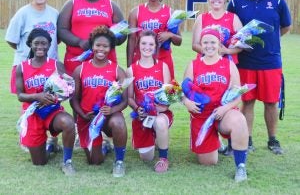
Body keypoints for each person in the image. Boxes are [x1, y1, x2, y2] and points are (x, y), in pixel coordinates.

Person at [227, 0, 292, 154]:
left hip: (270, 61)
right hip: (246, 62)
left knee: (271, 102)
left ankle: (272, 140)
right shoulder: (236, 1)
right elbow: (232, 29)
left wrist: (271, 41)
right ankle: (247, 140)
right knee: (247, 101)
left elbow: (286, 26)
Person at [182, 27, 249, 182]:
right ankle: (216, 141)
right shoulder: (193, 65)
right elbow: (183, 90)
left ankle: (241, 167)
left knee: (239, 120)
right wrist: (187, 102)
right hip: (202, 115)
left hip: (223, 112)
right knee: (208, 162)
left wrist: (226, 108)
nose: (209, 46)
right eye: (205, 42)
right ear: (201, 44)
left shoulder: (228, 65)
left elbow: (238, 94)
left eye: (213, 42)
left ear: (219, 44)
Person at [5, 0, 61, 154]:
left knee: (53, 100)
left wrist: (45, 56)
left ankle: (53, 139)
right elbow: (11, 39)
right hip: (27, 66)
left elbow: (55, 40)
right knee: (28, 102)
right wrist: (27, 54)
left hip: (49, 68)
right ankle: (27, 133)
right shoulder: (23, 13)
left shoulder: (54, 13)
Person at [15, 28, 76, 175]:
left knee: (68, 123)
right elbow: (20, 95)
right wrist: (37, 97)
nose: (40, 47)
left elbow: (69, 87)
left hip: (52, 112)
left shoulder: (56, 65)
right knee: (39, 162)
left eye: (44, 43)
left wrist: (61, 94)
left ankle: (67, 162)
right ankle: (50, 147)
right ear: (30, 44)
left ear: (49, 45)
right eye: (36, 43)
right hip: (33, 113)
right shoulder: (21, 67)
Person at [71, 26, 128, 178]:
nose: (101, 49)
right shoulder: (80, 69)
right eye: (98, 45)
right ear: (92, 46)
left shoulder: (117, 70)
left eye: (105, 46)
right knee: (94, 161)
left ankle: (120, 162)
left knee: (119, 123)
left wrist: (113, 110)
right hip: (89, 118)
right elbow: (74, 99)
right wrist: (82, 114)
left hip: (108, 117)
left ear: (111, 48)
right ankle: (103, 146)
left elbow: (125, 101)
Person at [57, 0, 125, 76]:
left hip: (104, 58)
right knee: (74, 91)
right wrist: (79, 42)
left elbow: (123, 32)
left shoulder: (111, 5)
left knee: (102, 90)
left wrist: (108, 42)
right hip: (76, 59)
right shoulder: (72, 3)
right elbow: (61, 29)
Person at [126, 30, 172, 173]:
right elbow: (129, 98)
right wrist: (137, 109)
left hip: (160, 113)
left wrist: (161, 108)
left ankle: (164, 158)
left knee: (159, 122)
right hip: (143, 116)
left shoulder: (163, 66)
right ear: (138, 45)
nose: (147, 47)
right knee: (146, 157)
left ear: (156, 46)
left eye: (151, 44)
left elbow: (169, 94)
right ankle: (156, 137)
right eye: (144, 43)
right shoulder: (131, 69)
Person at [126, 0, 182, 79]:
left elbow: (179, 41)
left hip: (164, 58)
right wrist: (129, 66)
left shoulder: (170, 12)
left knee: (168, 92)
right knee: (140, 91)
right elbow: (131, 40)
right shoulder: (135, 12)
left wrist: (170, 35)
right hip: (141, 58)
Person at [192, 0, 243, 64]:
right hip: (205, 63)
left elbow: (241, 45)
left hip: (228, 64)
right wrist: (210, 51)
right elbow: (195, 45)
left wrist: (226, 51)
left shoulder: (234, 18)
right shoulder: (201, 18)